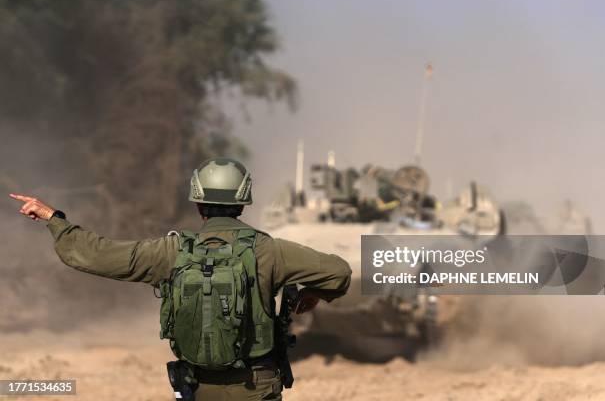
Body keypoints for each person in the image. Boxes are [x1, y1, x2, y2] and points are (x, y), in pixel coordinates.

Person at [10, 157, 352, 401]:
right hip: (256, 386)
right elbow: (339, 272)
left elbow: (93, 255)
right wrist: (314, 292)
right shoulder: (271, 251)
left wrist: (54, 219)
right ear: (244, 203)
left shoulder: (172, 251)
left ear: (198, 204)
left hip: (198, 386)